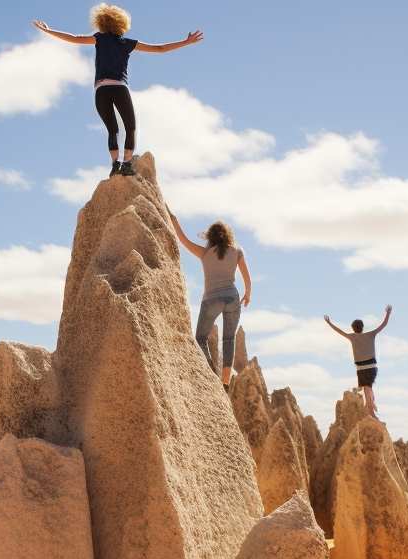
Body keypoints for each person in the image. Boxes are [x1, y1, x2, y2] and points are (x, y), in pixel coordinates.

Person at [33, 5, 204, 177]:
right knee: (130, 127)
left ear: (101, 22)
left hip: (101, 89)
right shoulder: (127, 43)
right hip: (120, 88)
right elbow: (159, 49)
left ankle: (116, 164)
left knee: (112, 129)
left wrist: (48, 31)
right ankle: (127, 164)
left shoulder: (99, 38)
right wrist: (185, 42)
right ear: (121, 23)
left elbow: (74, 38)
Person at [169, 210, 250, 386]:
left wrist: (174, 221)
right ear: (228, 235)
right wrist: (248, 293)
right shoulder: (237, 251)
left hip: (212, 299)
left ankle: (211, 373)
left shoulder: (204, 253)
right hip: (232, 297)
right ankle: (226, 382)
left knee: (200, 338)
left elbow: (183, 240)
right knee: (229, 339)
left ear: (210, 237)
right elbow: (246, 276)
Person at [325, 306, 393, 417]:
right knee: (369, 387)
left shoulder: (352, 337)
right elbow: (383, 325)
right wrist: (388, 313)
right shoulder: (371, 334)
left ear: (353, 328)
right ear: (362, 327)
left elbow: (339, 331)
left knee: (367, 388)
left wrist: (329, 323)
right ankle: (371, 403)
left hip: (361, 368)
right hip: (371, 366)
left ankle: (370, 410)